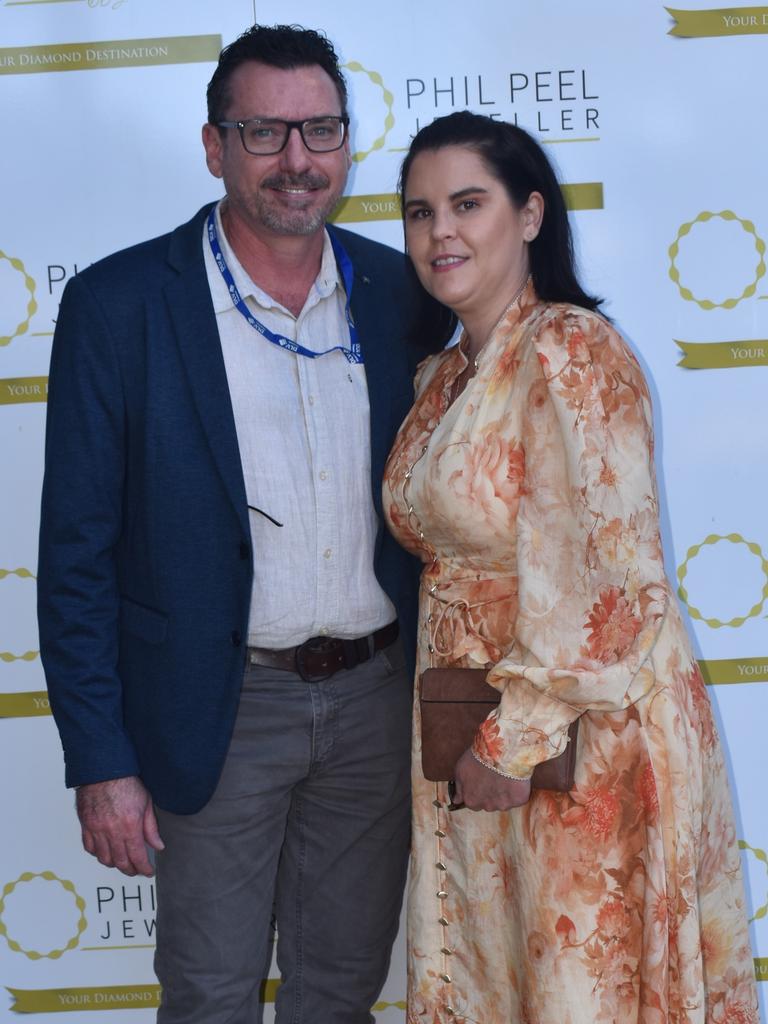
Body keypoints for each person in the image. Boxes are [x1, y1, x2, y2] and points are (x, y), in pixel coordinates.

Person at [37, 24, 438, 1024]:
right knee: (211, 995)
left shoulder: (405, 294)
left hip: (378, 709)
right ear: (215, 146)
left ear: (348, 144)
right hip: (216, 710)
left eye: (321, 130)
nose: (298, 160)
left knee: (341, 991)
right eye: (265, 132)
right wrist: (101, 759)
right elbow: (75, 557)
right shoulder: (119, 306)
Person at [383, 110, 758, 1024]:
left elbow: (610, 577)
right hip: (471, 729)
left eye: (469, 203)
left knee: (582, 984)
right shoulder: (441, 376)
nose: (442, 232)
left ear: (532, 215)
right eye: (421, 211)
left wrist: (513, 739)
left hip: (578, 742)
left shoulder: (571, 350)